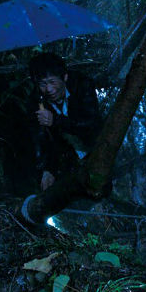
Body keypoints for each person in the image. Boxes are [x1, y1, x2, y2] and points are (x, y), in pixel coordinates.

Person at [28, 52, 101, 191]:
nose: (49, 89)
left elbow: (91, 124)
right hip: (68, 159)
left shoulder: (82, 85)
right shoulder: (36, 101)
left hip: (96, 148)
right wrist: (46, 169)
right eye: (42, 84)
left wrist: (56, 120)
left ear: (65, 77)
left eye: (52, 82)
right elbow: (40, 138)